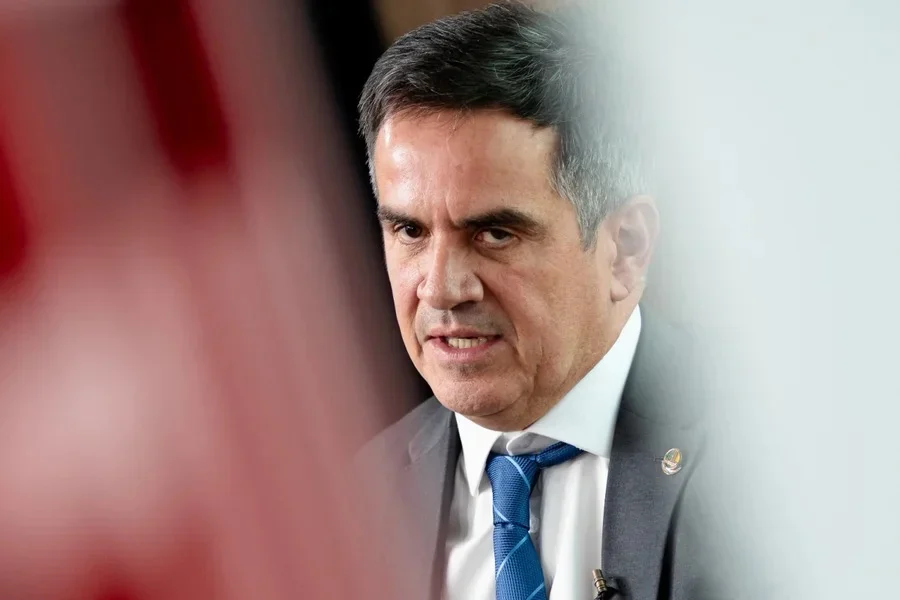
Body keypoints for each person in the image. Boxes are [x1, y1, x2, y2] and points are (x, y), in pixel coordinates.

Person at [355, 2, 716, 599]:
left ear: (625, 248)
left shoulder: (771, 459)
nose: (440, 288)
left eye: (495, 234)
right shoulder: (355, 502)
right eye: (410, 231)